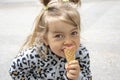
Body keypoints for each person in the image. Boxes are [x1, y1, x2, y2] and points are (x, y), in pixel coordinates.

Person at [9, 0, 92, 80]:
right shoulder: (36, 54)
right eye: (59, 36)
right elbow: (15, 70)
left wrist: (78, 77)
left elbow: (88, 77)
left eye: (73, 33)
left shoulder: (81, 54)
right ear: (45, 39)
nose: (68, 42)